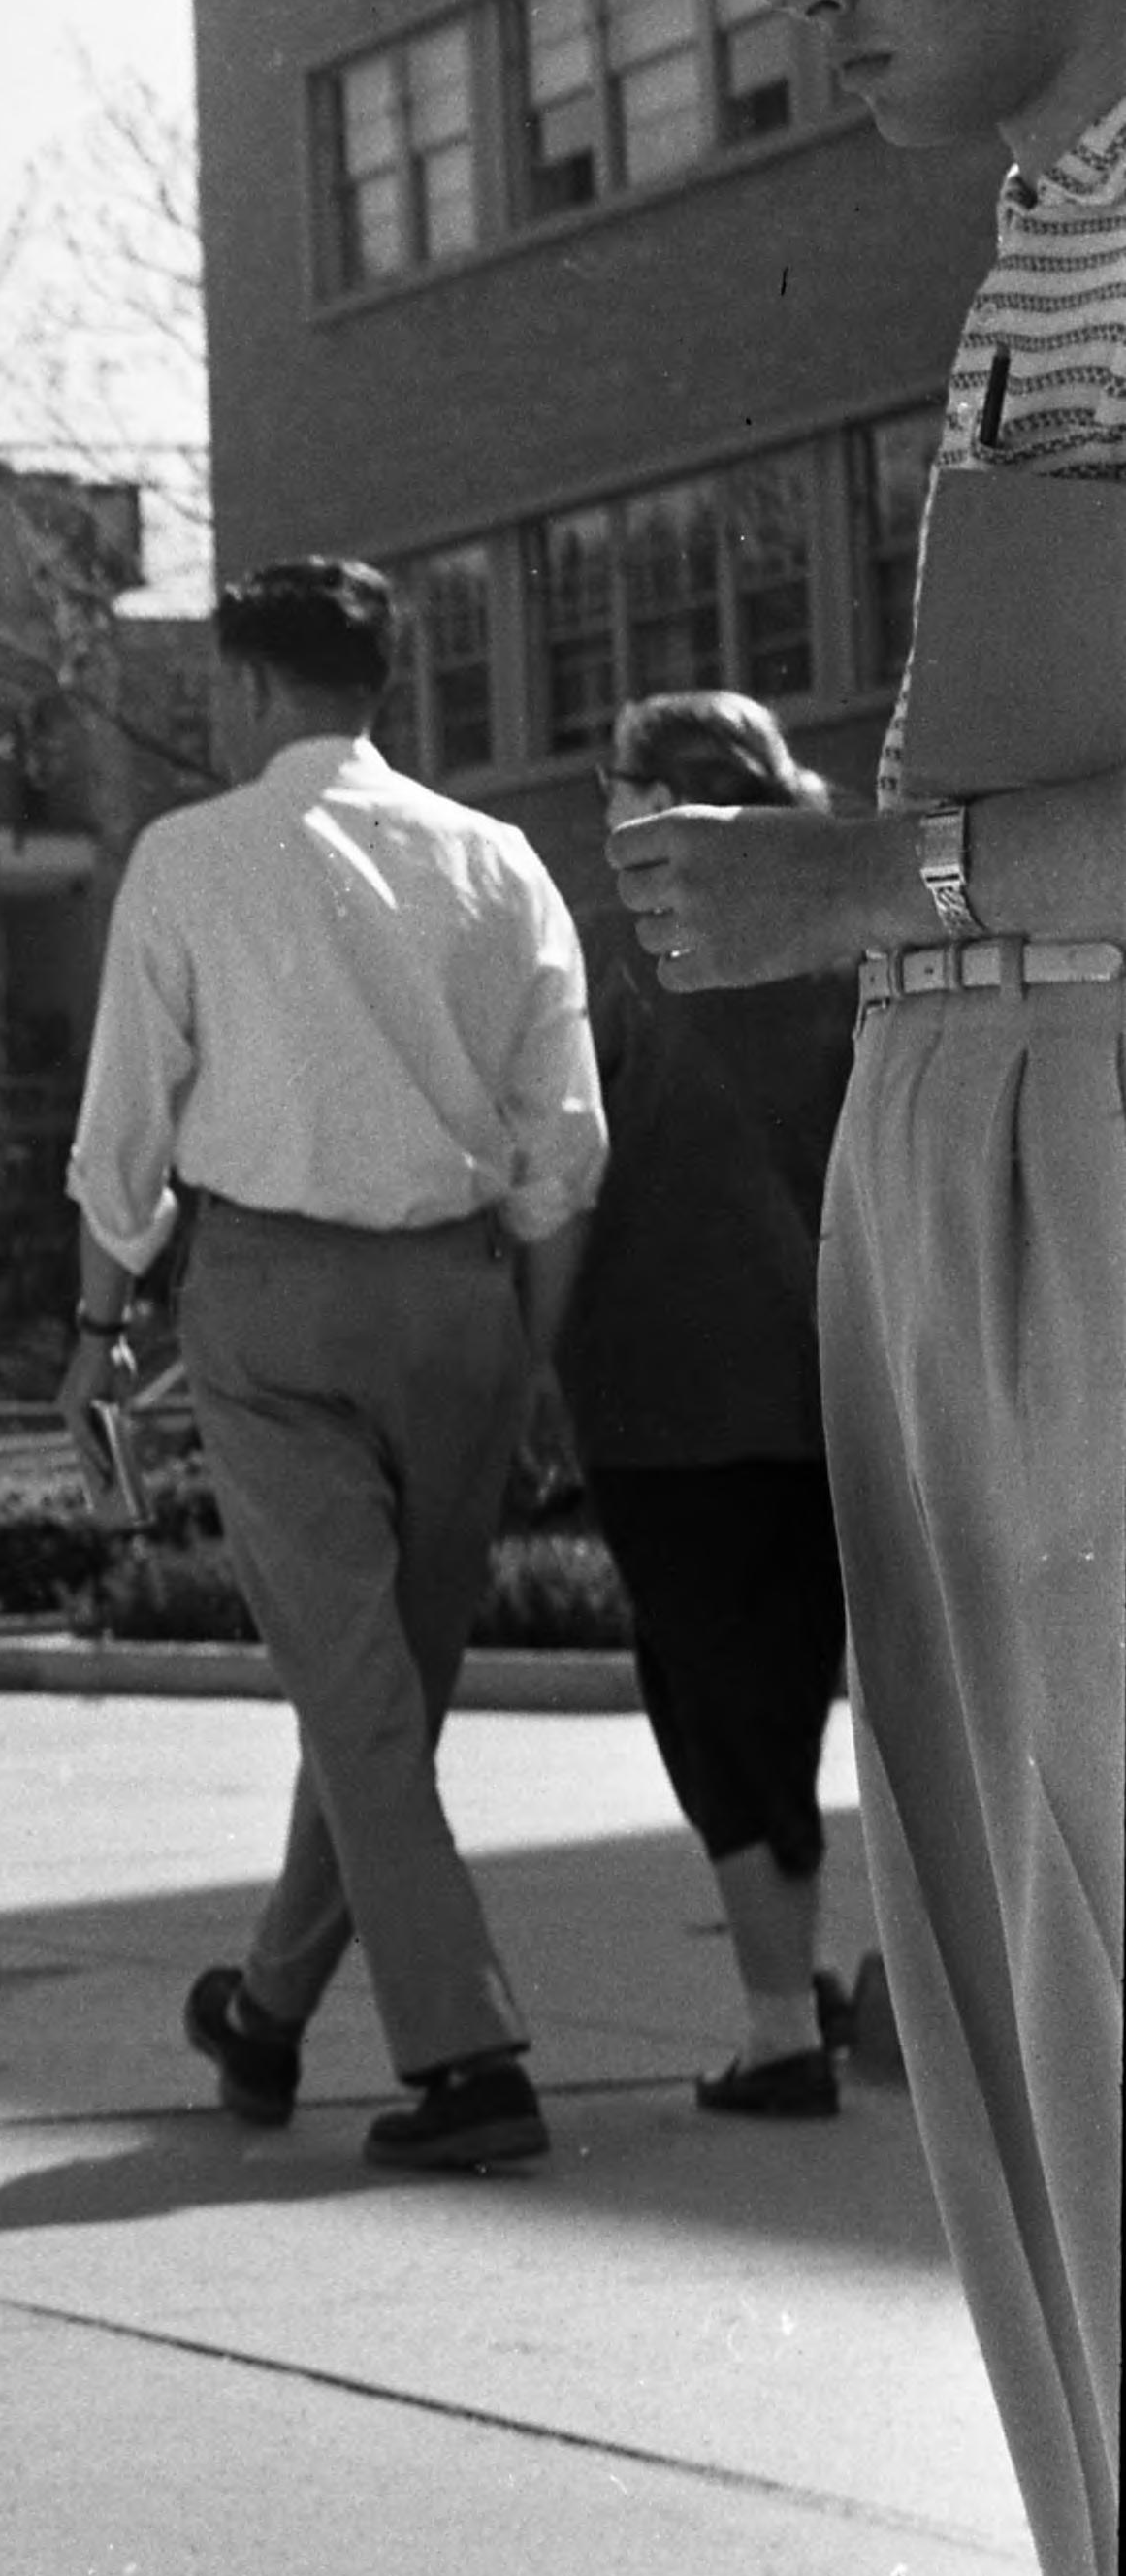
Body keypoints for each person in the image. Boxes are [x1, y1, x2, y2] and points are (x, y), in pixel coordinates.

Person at [617, 0, 1124, 2576]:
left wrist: (866, 860)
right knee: (1034, 2054)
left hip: (1089, 1137)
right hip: (988, 1135)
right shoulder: (1051, 221)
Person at [60, 559, 604, 2174]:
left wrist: (97, 1334)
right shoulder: (499, 859)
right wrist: (534, 1354)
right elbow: (564, 1153)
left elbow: (124, 1141)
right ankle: (267, 2010)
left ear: (245, 688)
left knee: (363, 1702)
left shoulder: (191, 856)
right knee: (384, 1699)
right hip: (467, 1307)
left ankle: (473, 2055)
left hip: (275, 1304)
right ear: (384, 685)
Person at [558, 691, 864, 2118]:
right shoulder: (838, 948)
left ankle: (776, 2026)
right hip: (832, 1381)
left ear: (654, 798)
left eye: (610, 785)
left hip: (658, 1391)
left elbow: (558, 1180)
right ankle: (815, 1997)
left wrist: (528, 1362)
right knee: (802, 1690)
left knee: (704, 1700)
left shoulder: (622, 961)